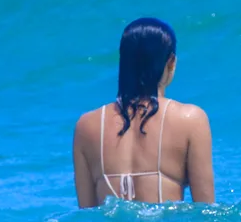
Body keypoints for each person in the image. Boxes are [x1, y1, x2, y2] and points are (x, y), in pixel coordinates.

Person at [73, 18, 215, 208]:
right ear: (171, 62)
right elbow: (205, 211)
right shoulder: (191, 119)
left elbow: (87, 216)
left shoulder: (86, 126)